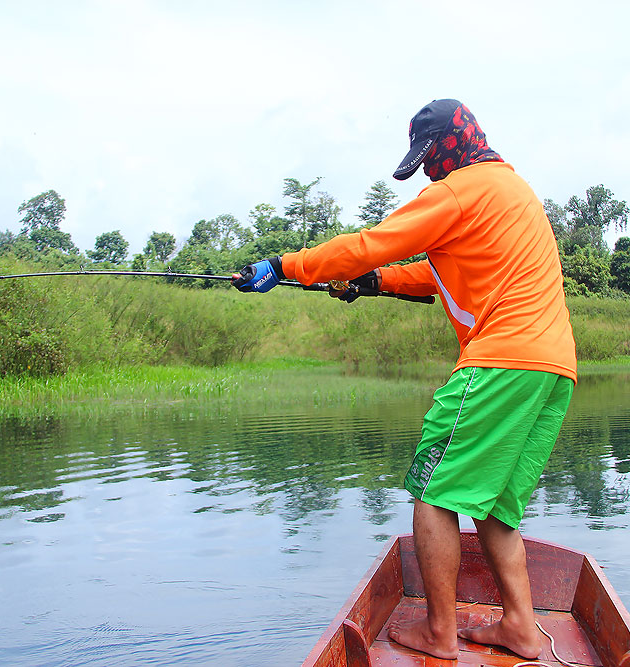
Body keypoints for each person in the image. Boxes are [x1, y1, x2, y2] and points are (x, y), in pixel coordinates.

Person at [232, 99, 576, 661]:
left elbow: (373, 243)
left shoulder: (462, 189)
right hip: (552, 367)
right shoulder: (511, 193)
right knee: (494, 507)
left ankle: (439, 633)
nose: (430, 172)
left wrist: (285, 266)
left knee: (433, 491)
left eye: (430, 158)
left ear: (448, 146)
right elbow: (435, 274)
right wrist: (374, 284)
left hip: (501, 362)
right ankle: (520, 626)